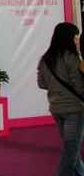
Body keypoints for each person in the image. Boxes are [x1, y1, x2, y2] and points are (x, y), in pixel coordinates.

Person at [37, 22, 84, 176]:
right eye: (76, 36)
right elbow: (80, 87)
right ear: (69, 38)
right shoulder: (72, 58)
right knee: (71, 149)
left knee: (72, 148)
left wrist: (56, 88)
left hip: (56, 108)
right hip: (74, 110)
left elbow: (41, 83)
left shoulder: (45, 59)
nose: (78, 40)